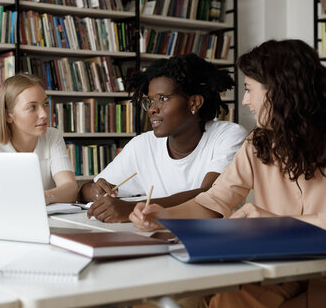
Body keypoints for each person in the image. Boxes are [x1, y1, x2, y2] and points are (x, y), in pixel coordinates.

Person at [130, 39, 326, 307]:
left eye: (249, 90)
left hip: (318, 278)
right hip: (279, 270)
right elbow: (214, 200)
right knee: (224, 297)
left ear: (279, 90)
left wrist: (276, 222)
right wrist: (163, 216)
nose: (245, 101)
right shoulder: (258, 143)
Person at [80, 53, 248, 222]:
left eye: (163, 99)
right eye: (151, 101)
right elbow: (84, 191)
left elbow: (210, 195)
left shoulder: (228, 136)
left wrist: (134, 209)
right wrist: (96, 191)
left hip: (218, 240)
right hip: (161, 238)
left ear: (194, 103)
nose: (152, 109)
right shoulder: (143, 145)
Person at [0, 73, 78, 204]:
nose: (44, 114)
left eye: (45, 104)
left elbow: (71, 189)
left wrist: (45, 197)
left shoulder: (52, 136)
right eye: (32, 107)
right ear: (8, 115)